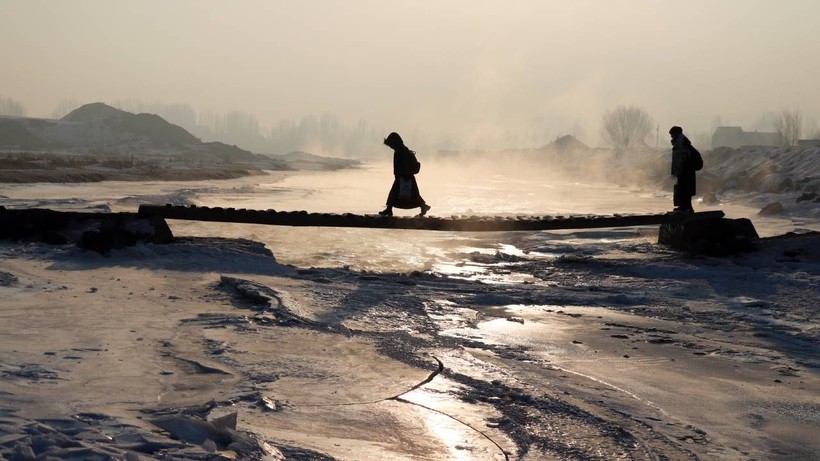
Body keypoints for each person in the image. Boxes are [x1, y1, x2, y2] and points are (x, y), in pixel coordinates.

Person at [379, 132, 431, 217]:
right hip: (406, 177)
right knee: (413, 194)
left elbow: (401, 166)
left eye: (391, 145)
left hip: (403, 177)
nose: (390, 147)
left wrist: (400, 177)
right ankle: (423, 206)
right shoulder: (403, 150)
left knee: (394, 194)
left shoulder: (400, 151)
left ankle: (389, 210)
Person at [669, 125, 701, 212]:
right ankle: (685, 207)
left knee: (685, 190)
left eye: (672, 135)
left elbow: (684, 159)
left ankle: (686, 207)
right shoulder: (680, 144)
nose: (671, 137)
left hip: (686, 172)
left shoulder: (683, 145)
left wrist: (681, 169)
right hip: (683, 172)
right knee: (683, 190)